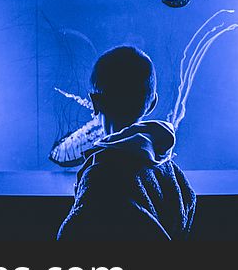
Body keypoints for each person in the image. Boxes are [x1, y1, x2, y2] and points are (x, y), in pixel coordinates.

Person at [57, 46, 196, 240]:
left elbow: (74, 234)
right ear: (153, 103)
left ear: (95, 102)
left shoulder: (101, 175)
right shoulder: (169, 168)